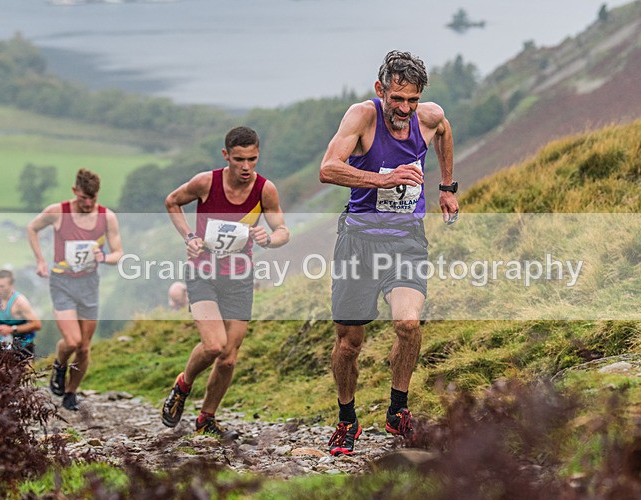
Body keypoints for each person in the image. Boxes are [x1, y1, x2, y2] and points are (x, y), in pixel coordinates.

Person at [318, 50, 459, 456]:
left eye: (412, 100)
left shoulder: (429, 118)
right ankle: (347, 420)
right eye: (396, 99)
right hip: (358, 241)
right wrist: (382, 181)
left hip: (406, 240)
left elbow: (445, 133)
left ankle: (398, 410)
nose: (404, 109)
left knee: (408, 324)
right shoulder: (362, 117)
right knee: (349, 344)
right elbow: (328, 168)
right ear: (381, 90)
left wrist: (447, 188)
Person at [161, 126, 289, 439]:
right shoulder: (206, 182)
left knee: (229, 358)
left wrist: (269, 239)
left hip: (240, 277)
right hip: (203, 272)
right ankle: (183, 385)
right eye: (239, 160)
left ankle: (206, 418)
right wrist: (190, 237)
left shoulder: (264, 190)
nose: (246, 167)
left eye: (253, 159)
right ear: (226, 156)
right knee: (214, 345)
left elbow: (283, 230)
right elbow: (172, 202)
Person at [27, 168, 123, 411]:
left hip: (89, 284)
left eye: (93, 198)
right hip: (62, 282)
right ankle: (60, 366)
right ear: (74, 192)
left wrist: (103, 256)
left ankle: (71, 392)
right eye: (83, 198)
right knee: (72, 340)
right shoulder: (57, 211)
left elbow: (118, 253)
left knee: (84, 347)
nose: (88, 203)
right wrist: (40, 260)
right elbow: (32, 228)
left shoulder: (106, 217)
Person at [0, 269, 42, 359]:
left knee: (25, 373)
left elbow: (37, 324)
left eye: (2, 286)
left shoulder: (20, 302)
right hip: (4, 342)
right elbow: (2, 318)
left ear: (11, 285)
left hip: (23, 345)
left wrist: (11, 329)